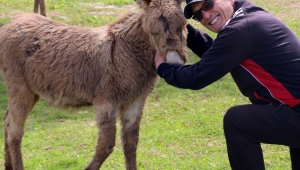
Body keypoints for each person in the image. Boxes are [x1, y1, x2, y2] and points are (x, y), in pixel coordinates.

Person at [154, 0, 300, 169]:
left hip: (295, 111)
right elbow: (217, 55)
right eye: (198, 15)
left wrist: (163, 68)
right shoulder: (246, 18)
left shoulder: (242, 29)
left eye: (208, 4)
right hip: (293, 109)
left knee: (237, 122)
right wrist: (184, 29)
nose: (206, 15)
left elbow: (196, 77)